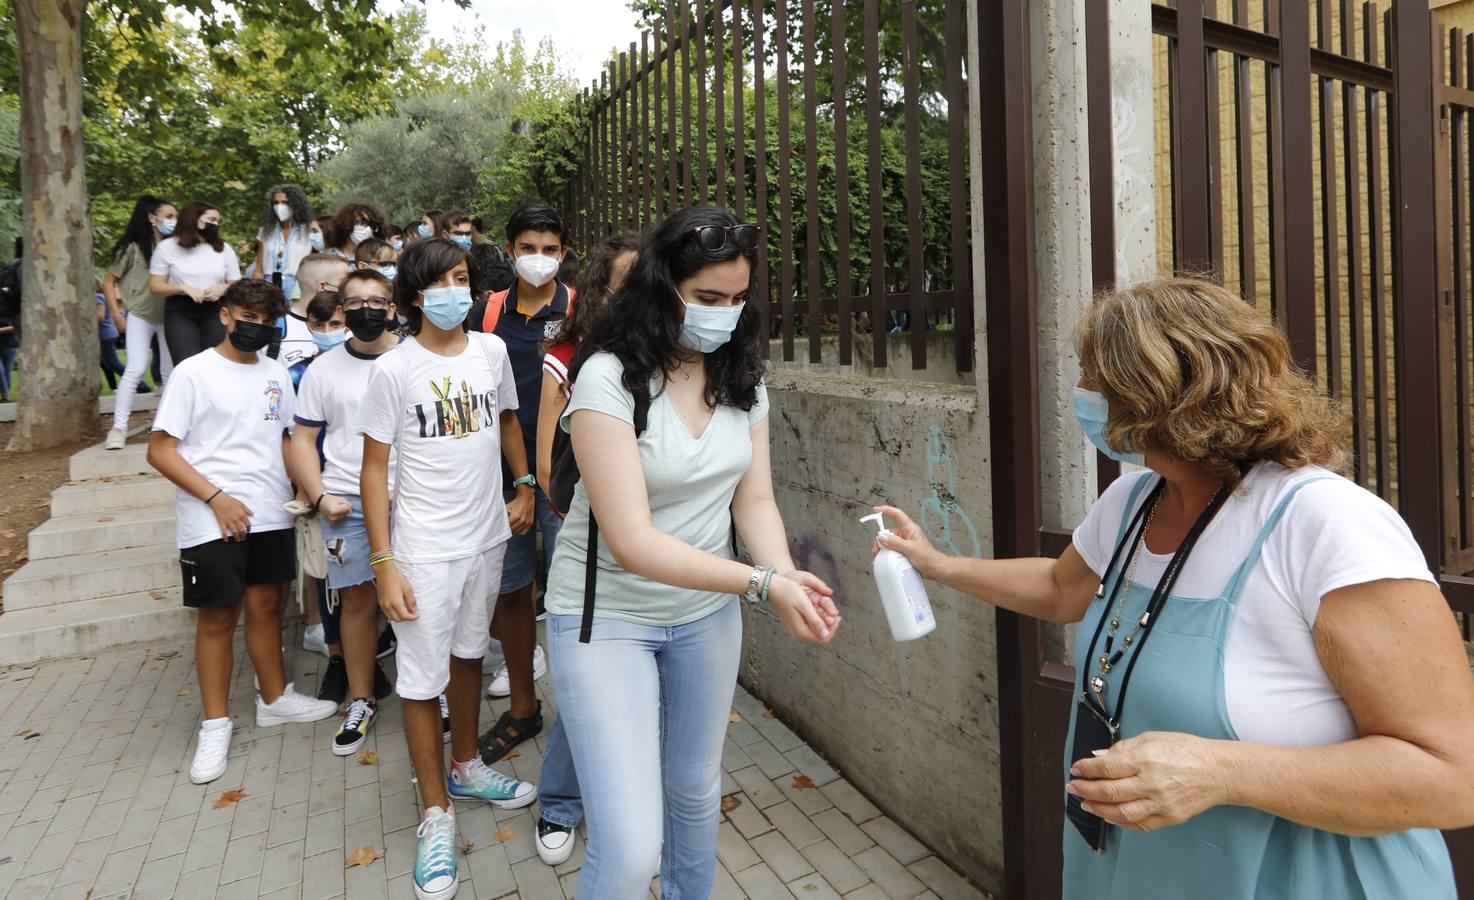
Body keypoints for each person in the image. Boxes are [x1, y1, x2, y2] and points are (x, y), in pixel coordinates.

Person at [876, 277, 1474, 899]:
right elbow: (1059, 588)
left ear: (1155, 392)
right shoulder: (1134, 501)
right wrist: (937, 564)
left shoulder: (1326, 525)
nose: (1082, 396)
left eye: (1092, 377)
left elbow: (1456, 776)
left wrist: (1222, 770)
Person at [549, 206, 839, 895]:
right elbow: (633, 540)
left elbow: (755, 501)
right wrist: (763, 585)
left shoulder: (742, 379)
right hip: (607, 620)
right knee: (627, 846)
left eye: (737, 301)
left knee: (695, 796)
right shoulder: (606, 379)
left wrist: (787, 576)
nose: (723, 315)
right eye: (708, 299)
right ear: (661, 288)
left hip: (707, 616)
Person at [356, 237, 538, 900]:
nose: (452, 292)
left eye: (461, 278)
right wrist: (383, 563)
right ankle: (435, 812)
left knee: (468, 656)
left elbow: (509, 422)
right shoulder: (394, 371)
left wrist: (523, 485)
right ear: (412, 298)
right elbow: (374, 471)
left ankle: (465, 766)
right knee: (419, 678)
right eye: (438, 283)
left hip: (486, 539)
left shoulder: (491, 353)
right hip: (422, 551)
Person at [146, 279, 339, 786]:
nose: (256, 326)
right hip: (213, 518)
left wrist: (305, 491)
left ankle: (274, 699)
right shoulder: (193, 373)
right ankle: (215, 723)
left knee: (267, 607)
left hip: (272, 513)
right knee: (217, 618)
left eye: (266, 319)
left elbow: (283, 439)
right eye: (247, 316)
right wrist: (217, 499)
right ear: (226, 315)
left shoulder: (277, 372)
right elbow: (161, 450)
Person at [528, 230, 638, 865]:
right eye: (627, 282)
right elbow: (550, 457)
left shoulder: (673, 356)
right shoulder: (570, 356)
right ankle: (561, 804)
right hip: (582, 533)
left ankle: (619, 798)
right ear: (602, 290)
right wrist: (585, 517)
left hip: (655, 556)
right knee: (587, 686)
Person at [468, 204, 574, 762]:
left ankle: (578, 708)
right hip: (500, 476)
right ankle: (525, 708)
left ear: (564, 253)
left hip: (566, 476)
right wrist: (518, 481)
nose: (539, 259)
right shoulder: (484, 312)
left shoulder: (581, 308)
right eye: (528, 247)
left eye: (550, 248)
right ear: (510, 251)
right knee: (510, 592)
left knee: (569, 593)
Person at [290, 269, 399, 753]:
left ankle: (431, 692)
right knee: (356, 602)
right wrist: (318, 496)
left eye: (377, 301)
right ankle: (361, 697)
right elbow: (303, 439)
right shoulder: (323, 369)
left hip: (410, 500)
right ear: (342, 309)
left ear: (393, 308)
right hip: (346, 504)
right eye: (355, 302)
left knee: (419, 598)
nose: (366, 310)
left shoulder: (413, 360)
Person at [104, 196, 176, 449]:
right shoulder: (132, 249)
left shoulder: (175, 247)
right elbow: (109, 282)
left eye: (175, 217)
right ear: (152, 218)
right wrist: (116, 315)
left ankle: (166, 427)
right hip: (140, 315)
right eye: (169, 216)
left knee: (170, 373)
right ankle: (118, 428)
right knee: (135, 368)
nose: (173, 221)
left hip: (170, 317)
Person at [150, 201, 241, 364]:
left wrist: (223, 289)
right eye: (211, 220)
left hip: (216, 309)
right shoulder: (166, 247)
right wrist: (182, 288)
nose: (216, 224)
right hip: (180, 310)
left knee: (216, 363)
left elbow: (237, 285)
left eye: (218, 221)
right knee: (186, 364)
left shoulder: (224, 249)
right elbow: (155, 286)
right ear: (194, 219)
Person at [277, 253, 350, 385]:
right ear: (322, 287)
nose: (350, 289)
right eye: (344, 284)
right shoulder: (277, 327)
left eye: (335, 324)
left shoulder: (351, 324)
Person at [254, 184, 314, 301]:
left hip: (298, 288)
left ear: (295, 205)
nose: (279, 206)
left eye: (285, 202)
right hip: (269, 287)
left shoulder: (308, 231)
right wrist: (256, 294)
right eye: (276, 203)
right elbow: (259, 269)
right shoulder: (265, 231)